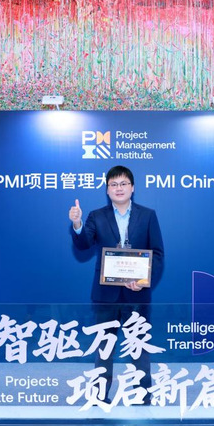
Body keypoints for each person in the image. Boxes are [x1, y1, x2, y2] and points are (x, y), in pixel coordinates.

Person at [69, 165, 164, 403]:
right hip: (105, 295)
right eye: (113, 184)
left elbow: (157, 254)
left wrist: (144, 282)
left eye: (123, 184)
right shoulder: (96, 216)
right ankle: (99, 396)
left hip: (137, 295)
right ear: (107, 189)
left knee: (139, 348)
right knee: (104, 349)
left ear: (132, 187)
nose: (118, 188)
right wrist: (78, 224)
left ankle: (143, 396)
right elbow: (83, 245)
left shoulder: (148, 215)